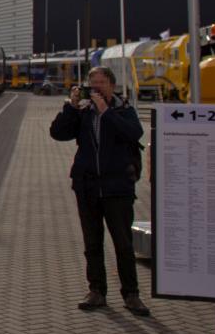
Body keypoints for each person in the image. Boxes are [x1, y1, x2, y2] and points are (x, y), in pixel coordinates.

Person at [49, 65, 150, 316]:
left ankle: (132, 294)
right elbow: (58, 133)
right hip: (88, 187)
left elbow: (134, 133)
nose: (95, 88)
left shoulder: (123, 109)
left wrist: (106, 112)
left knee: (123, 243)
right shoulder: (82, 112)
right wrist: (71, 107)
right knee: (92, 243)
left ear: (111, 85)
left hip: (118, 187)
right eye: (91, 83)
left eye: (101, 83)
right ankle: (96, 291)